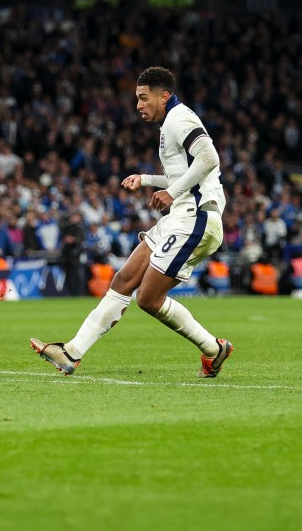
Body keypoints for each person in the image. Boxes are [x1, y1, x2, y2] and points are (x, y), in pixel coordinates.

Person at [30, 67, 234, 378]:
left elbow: (209, 158)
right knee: (124, 280)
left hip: (196, 217)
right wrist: (147, 179)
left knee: (149, 299)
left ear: (163, 96)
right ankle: (71, 352)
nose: (138, 104)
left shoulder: (181, 118)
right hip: (182, 214)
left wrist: (171, 191)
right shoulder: (170, 123)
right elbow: (183, 174)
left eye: (143, 97)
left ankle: (212, 347)